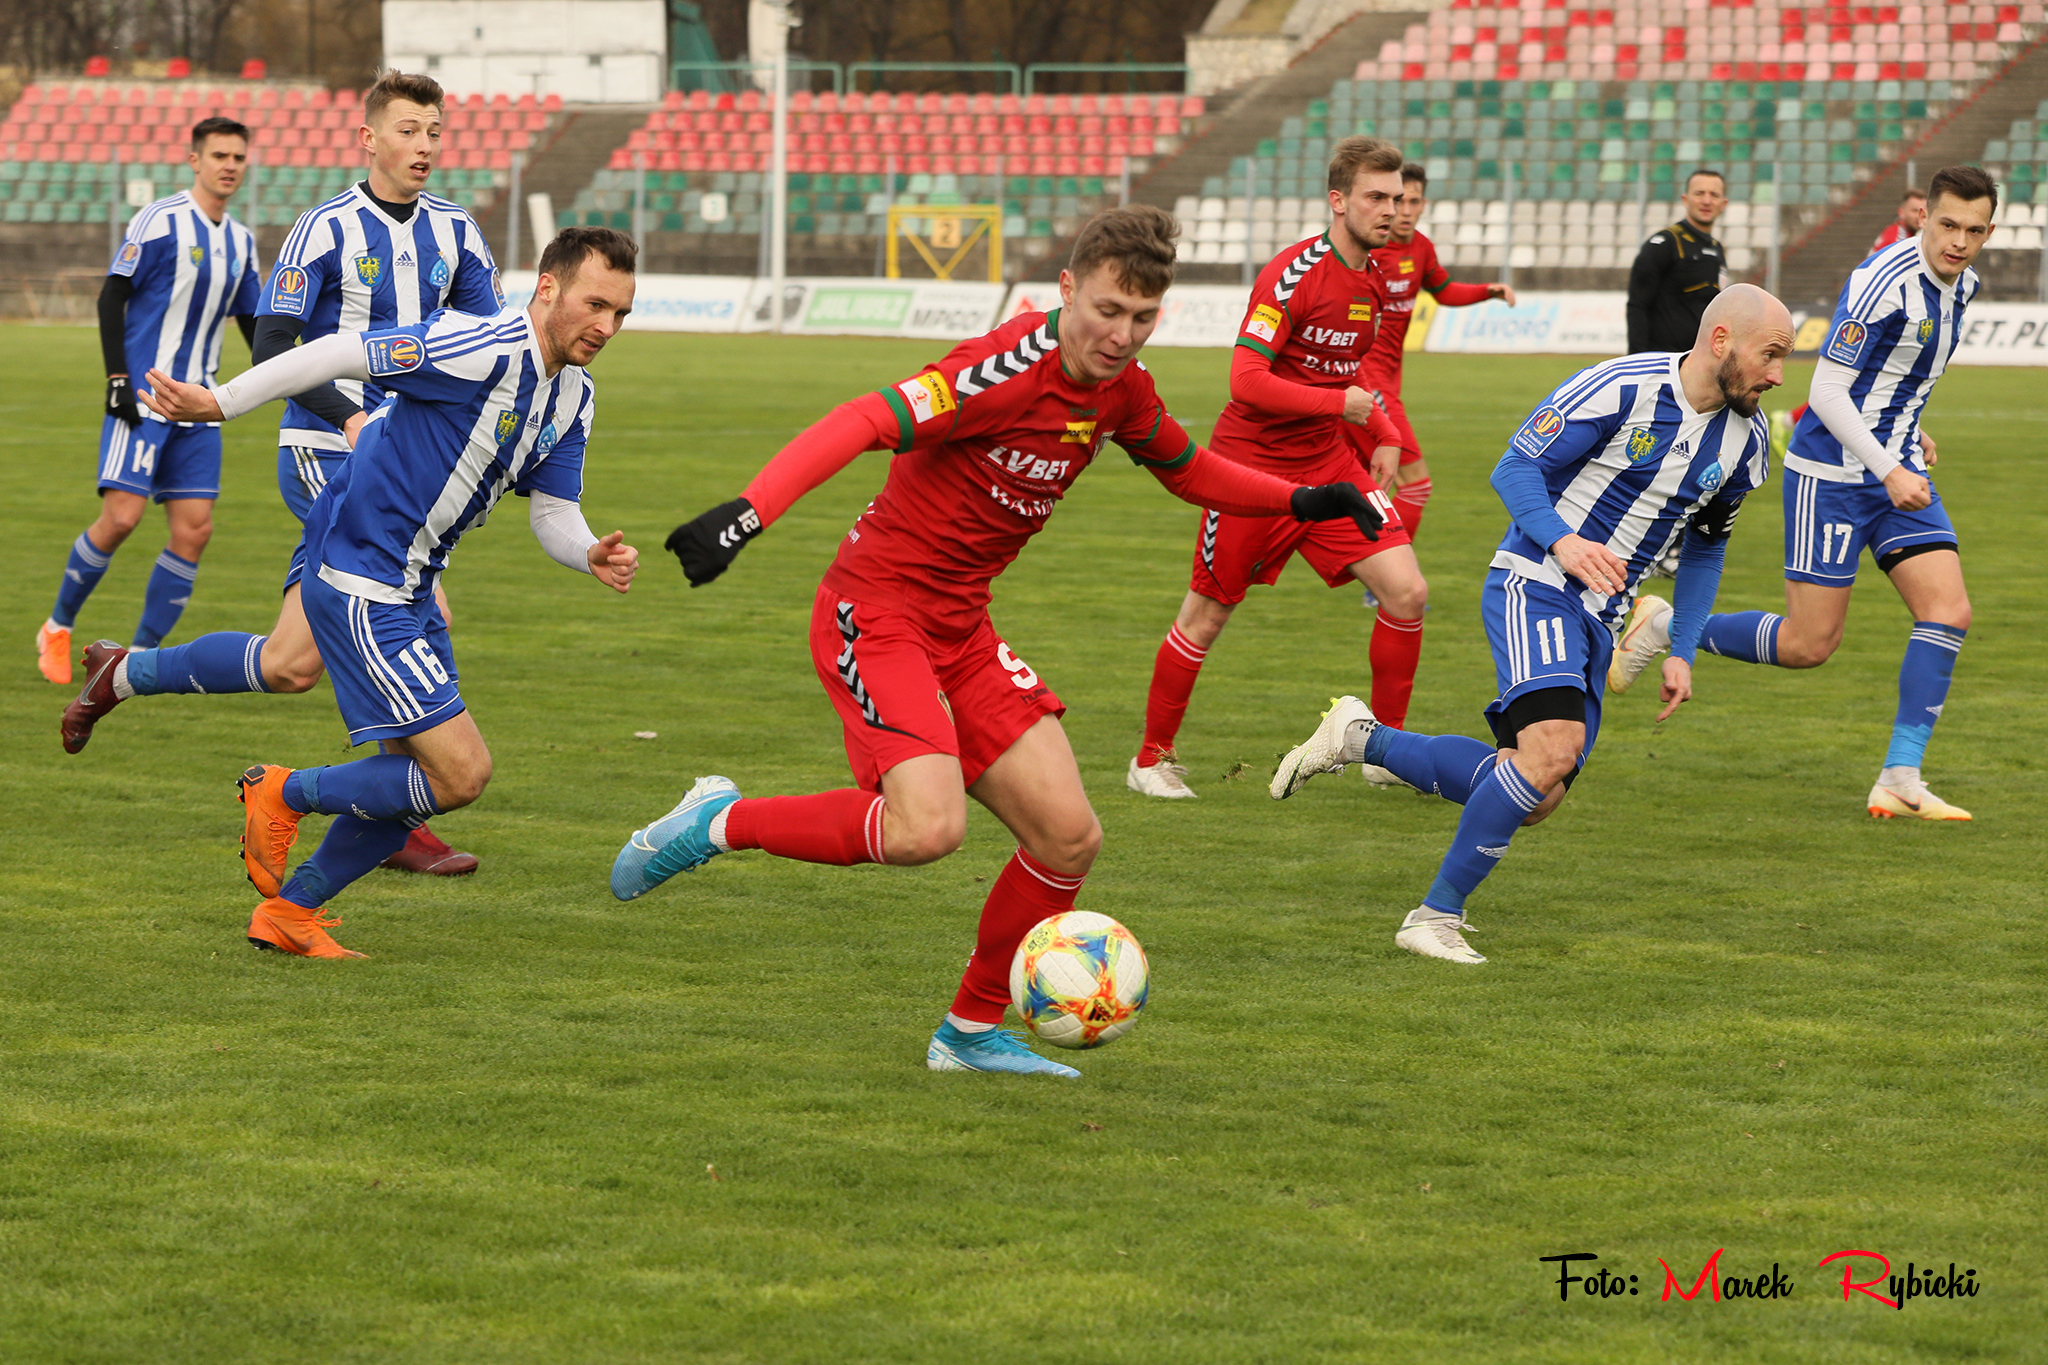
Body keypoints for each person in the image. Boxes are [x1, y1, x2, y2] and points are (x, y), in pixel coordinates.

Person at [615, 207, 1386, 1075]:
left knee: (1069, 837)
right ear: (1066, 289)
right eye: (1107, 310)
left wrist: (1301, 499)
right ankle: (718, 821)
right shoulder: (1001, 369)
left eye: (1142, 317)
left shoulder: (1123, 389)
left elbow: (1188, 469)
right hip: (875, 611)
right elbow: (865, 418)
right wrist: (748, 513)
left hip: (962, 627)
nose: (1122, 335)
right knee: (926, 828)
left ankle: (968, 1032)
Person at [60, 228, 641, 958]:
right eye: (596, 304)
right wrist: (220, 403)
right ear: (548, 288)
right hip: (363, 576)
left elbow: (552, 511)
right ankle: (282, 791)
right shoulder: (479, 346)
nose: (606, 326)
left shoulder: (574, 396)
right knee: (460, 772)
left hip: (411, 581)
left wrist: (587, 551)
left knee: (405, 773)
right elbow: (336, 352)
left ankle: (289, 913)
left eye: (621, 313)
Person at [1270, 285, 1793, 965]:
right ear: (1721, 340)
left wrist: (1683, 649)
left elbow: (1706, 551)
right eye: (1771, 355)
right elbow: (1516, 467)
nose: (1779, 375)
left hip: (1601, 619)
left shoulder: (1747, 443)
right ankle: (1434, 916)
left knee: (1535, 792)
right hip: (1535, 582)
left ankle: (1361, 737)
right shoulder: (1621, 387)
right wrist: (1563, 541)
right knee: (1550, 752)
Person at [1645, 167, 1992, 822]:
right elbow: (1827, 392)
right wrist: (1888, 466)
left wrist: (1908, 429)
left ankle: (1900, 776)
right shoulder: (1881, 282)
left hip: (1893, 465)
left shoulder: (1963, 286)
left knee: (1949, 612)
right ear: (1923, 217)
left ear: (1988, 232)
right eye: (1948, 225)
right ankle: (1665, 626)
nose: (1958, 242)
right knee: (1808, 645)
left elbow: (1899, 377)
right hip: (1831, 473)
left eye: (1973, 231)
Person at [249, 69, 503, 876]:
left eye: (433, 132)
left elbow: (491, 346)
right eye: (407, 129)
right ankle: (400, 814)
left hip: (404, 463)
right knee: (415, 612)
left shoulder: (457, 233)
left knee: (291, 660)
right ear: (367, 137)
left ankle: (129, 674)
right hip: (324, 449)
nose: (424, 145)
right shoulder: (323, 228)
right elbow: (272, 344)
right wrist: (349, 416)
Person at [1126, 136, 1423, 801]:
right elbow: (1246, 380)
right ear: (1338, 200)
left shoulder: (1374, 280)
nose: (1390, 210)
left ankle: (1387, 753)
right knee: (1205, 616)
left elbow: (1348, 373)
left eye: (1397, 197)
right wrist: (1342, 406)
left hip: (1330, 465)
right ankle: (1149, 760)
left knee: (1407, 593)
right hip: (1251, 471)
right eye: (1376, 197)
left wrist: (1382, 430)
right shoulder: (1293, 274)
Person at [34, 118, 260, 685]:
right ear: (195, 160)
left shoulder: (241, 242)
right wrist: (116, 377)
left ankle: (132, 662)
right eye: (219, 155)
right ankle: (57, 626)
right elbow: (113, 294)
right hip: (144, 396)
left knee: (194, 530)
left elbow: (254, 325)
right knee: (121, 519)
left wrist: (288, 377)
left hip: (200, 404)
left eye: (238, 157)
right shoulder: (161, 220)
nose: (229, 166)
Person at [1361, 161, 1515, 541]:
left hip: (1388, 383)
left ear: (1424, 205)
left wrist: (1487, 291)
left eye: (1413, 202)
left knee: (1360, 483)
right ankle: (1388, 572)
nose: (1404, 211)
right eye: (1398, 201)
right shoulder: (1367, 251)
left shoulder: (1420, 247)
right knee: (1415, 486)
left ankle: (1355, 560)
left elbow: (1443, 289)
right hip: (1366, 383)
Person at [1626, 169, 1729, 354]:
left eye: (1714, 195)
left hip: (1698, 360)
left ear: (1723, 204)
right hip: (1664, 360)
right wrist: (1637, 359)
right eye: (1699, 193)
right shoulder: (1664, 244)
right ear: (1685, 199)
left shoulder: (1717, 249)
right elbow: (1638, 305)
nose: (1706, 201)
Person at [1871, 189, 1926, 256]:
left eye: (1923, 212)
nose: (1919, 216)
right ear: (1901, 212)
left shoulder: (1896, 231)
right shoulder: (1899, 238)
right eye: (1914, 211)